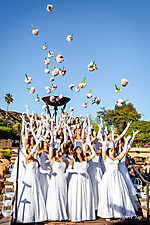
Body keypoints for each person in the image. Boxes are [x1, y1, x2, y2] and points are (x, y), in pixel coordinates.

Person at [97, 135, 136, 220]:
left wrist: (126, 142)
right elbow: (103, 151)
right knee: (108, 194)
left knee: (119, 193)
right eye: (111, 149)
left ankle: (120, 213)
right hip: (108, 177)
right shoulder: (105, 158)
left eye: (113, 150)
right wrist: (105, 142)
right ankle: (108, 214)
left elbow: (124, 152)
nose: (113, 150)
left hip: (117, 177)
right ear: (108, 152)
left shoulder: (117, 158)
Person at [67, 143, 96, 222]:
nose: (79, 149)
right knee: (78, 195)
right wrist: (77, 171)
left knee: (85, 195)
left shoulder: (86, 159)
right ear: (75, 151)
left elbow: (93, 154)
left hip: (85, 179)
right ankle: (77, 215)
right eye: (77, 149)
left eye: (80, 148)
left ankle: (86, 215)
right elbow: (68, 170)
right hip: (76, 179)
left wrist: (90, 144)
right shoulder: (73, 159)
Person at [46, 132, 68, 221]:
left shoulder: (62, 159)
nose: (56, 150)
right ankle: (55, 215)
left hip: (63, 178)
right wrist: (53, 137)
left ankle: (63, 214)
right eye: (55, 149)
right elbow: (50, 149)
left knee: (63, 195)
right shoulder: (52, 159)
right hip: (55, 179)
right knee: (55, 196)